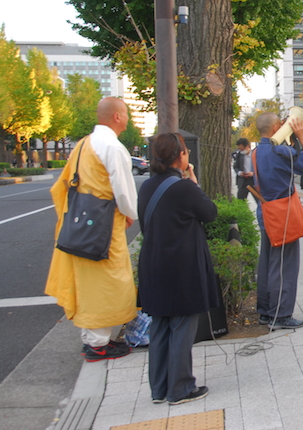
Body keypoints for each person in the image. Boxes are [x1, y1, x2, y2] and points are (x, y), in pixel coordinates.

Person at [46, 97, 138, 361]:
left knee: (87, 282)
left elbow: (65, 184)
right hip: (104, 226)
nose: (128, 118)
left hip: (80, 224)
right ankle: (100, 344)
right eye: (127, 114)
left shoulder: (83, 144)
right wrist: (130, 213)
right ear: (118, 117)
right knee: (107, 281)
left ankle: (91, 340)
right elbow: (123, 190)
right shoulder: (112, 146)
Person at [137, 133, 217, 405]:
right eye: (185, 152)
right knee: (183, 325)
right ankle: (181, 388)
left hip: (153, 263)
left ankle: (159, 388)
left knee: (159, 325)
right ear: (180, 155)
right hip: (181, 267)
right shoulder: (184, 188)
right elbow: (210, 213)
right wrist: (195, 184)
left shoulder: (147, 186)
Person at [254, 113, 303, 329]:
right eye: (282, 124)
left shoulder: (256, 152)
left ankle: (266, 311)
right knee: (284, 265)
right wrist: (301, 137)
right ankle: (281, 315)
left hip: (266, 212)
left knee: (267, 262)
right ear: (276, 127)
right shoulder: (279, 151)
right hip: (283, 215)